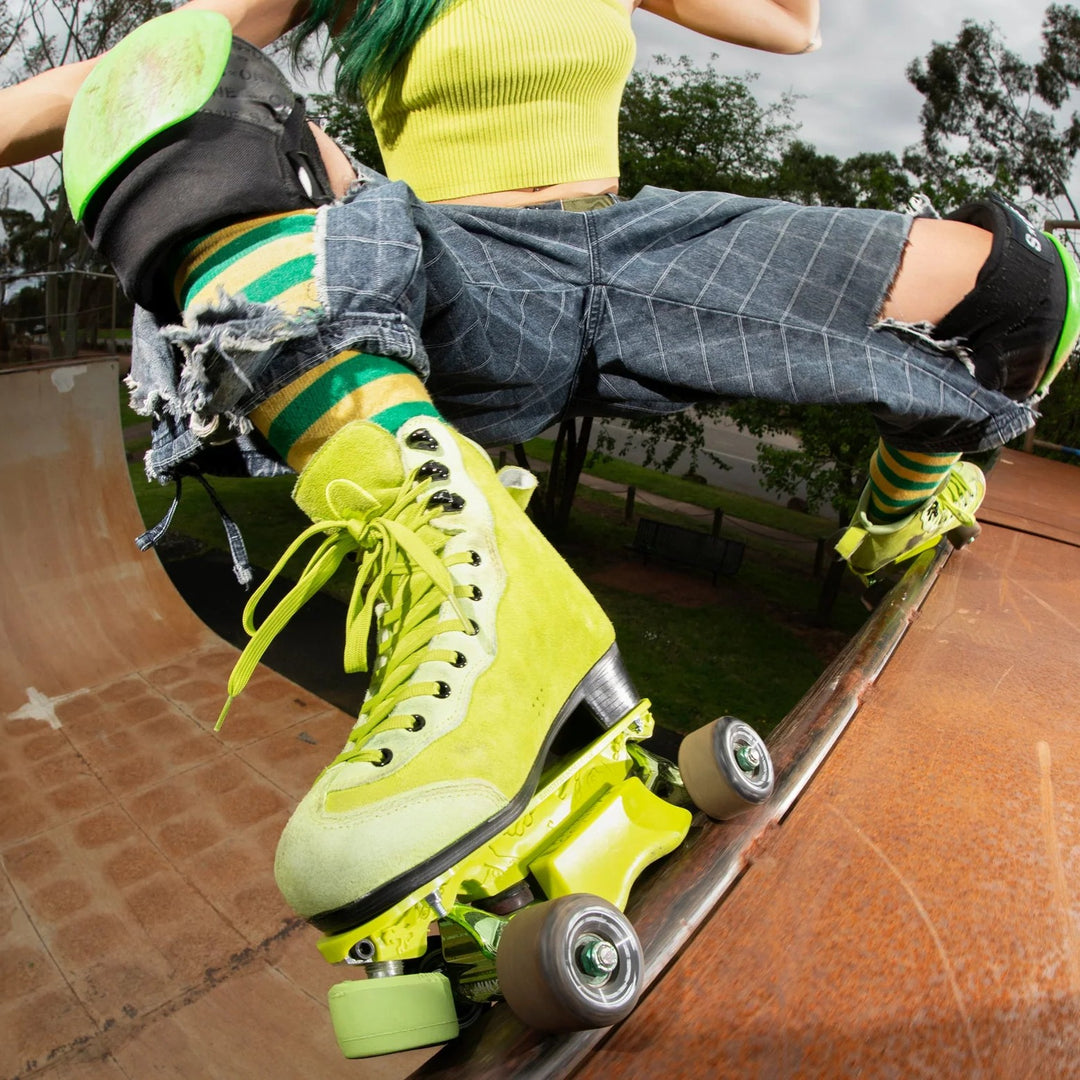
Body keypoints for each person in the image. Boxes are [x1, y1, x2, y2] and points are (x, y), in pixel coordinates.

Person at [1, 0, 1076, 939]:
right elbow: (139, 65)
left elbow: (793, 24)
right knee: (180, 98)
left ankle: (897, 512)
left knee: (1025, 286)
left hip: (644, 255)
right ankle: (478, 592)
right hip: (456, 274)